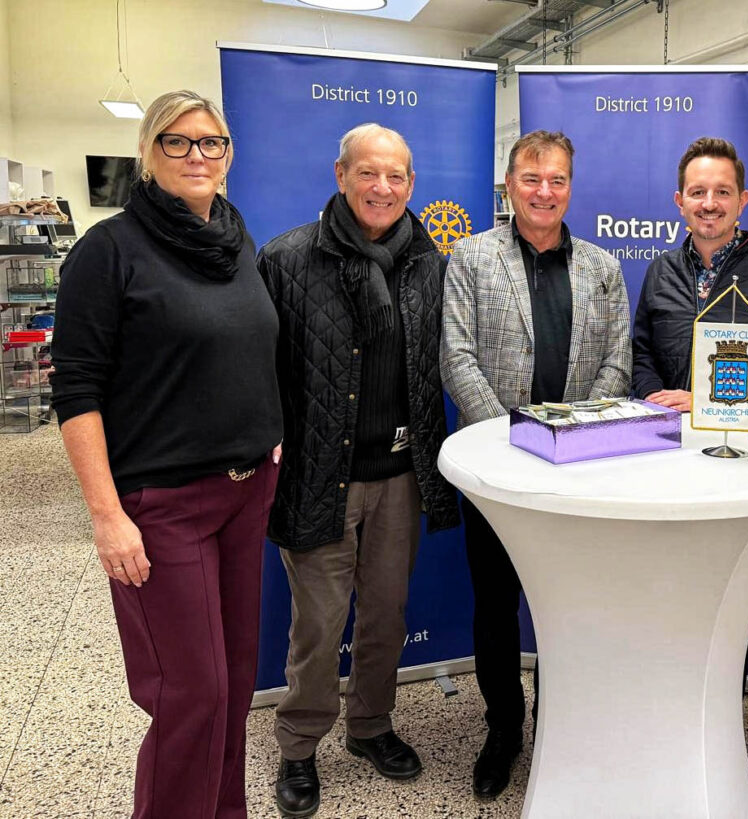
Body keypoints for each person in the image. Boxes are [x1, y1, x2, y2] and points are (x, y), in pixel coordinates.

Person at [50, 90, 283, 819]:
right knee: (191, 693)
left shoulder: (237, 240)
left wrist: (267, 426)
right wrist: (105, 515)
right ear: (148, 154)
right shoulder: (108, 250)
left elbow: (247, 345)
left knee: (235, 682)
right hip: (161, 506)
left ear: (229, 153)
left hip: (246, 491)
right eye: (176, 142)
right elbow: (76, 388)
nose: (196, 155)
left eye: (211, 141)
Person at [259, 123, 459, 818]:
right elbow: (260, 366)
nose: (382, 187)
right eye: (368, 173)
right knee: (318, 625)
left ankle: (371, 726)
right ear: (341, 175)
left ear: (411, 185)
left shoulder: (429, 261)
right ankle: (299, 745)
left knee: (384, 615)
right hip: (319, 475)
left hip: (401, 474)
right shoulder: (287, 259)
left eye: (396, 176)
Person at [441, 130, 631, 799]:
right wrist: (510, 443)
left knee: (570, 607)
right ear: (509, 184)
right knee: (495, 606)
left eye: (557, 180)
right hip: (496, 474)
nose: (544, 191)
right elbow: (457, 357)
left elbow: (617, 363)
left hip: (578, 472)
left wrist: (571, 442)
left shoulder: (603, 267)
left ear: (570, 187)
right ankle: (503, 729)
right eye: (531, 178)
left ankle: (561, 722)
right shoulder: (471, 257)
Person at [631, 136, 748, 410]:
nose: (709, 204)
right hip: (666, 426)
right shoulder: (659, 272)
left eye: (722, 192)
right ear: (680, 202)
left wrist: (704, 401)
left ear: (742, 201)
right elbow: (642, 353)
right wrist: (653, 397)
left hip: (743, 432)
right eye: (698, 192)